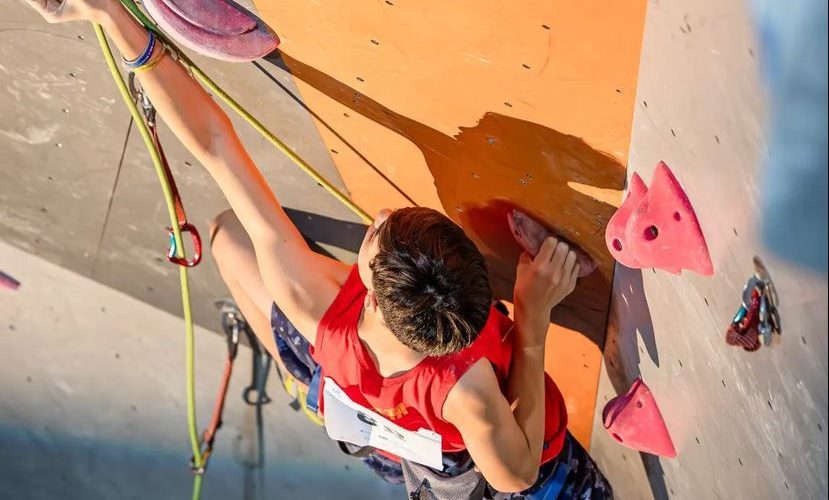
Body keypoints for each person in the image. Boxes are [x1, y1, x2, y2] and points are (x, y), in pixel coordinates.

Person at [23, 0, 612, 497]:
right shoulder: (469, 388)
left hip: (390, 428)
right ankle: (311, 390)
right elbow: (515, 470)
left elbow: (217, 149)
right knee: (233, 240)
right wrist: (533, 321)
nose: (378, 218)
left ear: (376, 301)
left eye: (379, 233)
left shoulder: (316, 304)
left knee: (233, 237)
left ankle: (301, 384)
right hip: (430, 439)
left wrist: (109, 17)